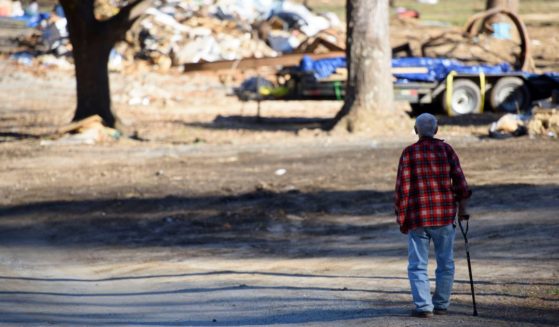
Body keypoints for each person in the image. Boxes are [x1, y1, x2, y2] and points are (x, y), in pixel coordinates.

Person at [394, 113, 471, 318]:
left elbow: (403, 189)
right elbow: (461, 182)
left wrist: (402, 218)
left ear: (415, 130)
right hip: (444, 216)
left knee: (418, 265)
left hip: (418, 218)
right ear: (436, 130)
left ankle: (424, 307)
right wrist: (463, 209)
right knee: (446, 262)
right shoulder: (446, 150)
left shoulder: (409, 153)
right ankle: (441, 304)